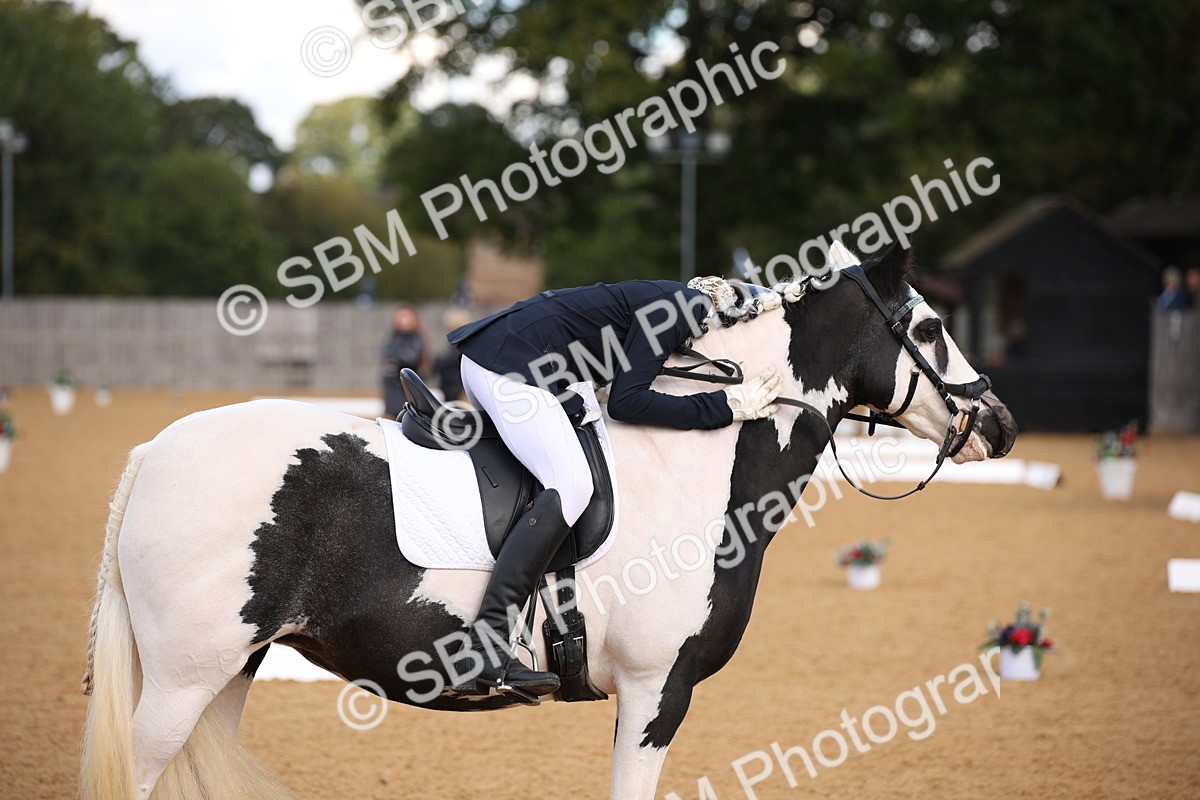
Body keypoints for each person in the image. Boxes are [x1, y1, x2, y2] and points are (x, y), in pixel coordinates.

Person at [444, 278, 782, 698]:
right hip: (507, 370)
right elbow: (627, 401)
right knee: (572, 487)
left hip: (494, 359)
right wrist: (723, 407)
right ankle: (486, 647)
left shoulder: (664, 298)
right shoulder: (681, 310)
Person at [381, 304, 427, 418]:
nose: (402, 320)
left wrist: (395, 357)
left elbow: (412, 357)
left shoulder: (416, 337)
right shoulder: (394, 336)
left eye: (406, 316)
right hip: (392, 384)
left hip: (407, 384)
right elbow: (384, 351)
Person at [431, 307, 472, 403]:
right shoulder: (457, 342)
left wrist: (437, 361)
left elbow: (450, 359)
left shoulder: (462, 344)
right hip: (450, 386)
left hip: (457, 388)